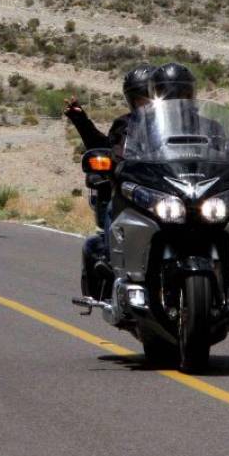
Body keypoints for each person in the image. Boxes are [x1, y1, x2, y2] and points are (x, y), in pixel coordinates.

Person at [63, 64, 156, 299]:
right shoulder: (126, 125)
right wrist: (80, 119)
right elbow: (105, 148)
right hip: (137, 192)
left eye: (152, 95)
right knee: (112, 216)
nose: (147, 102)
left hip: (171, 192)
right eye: (141, 97)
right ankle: (110, 259)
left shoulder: (185, 127)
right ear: (132, 101)